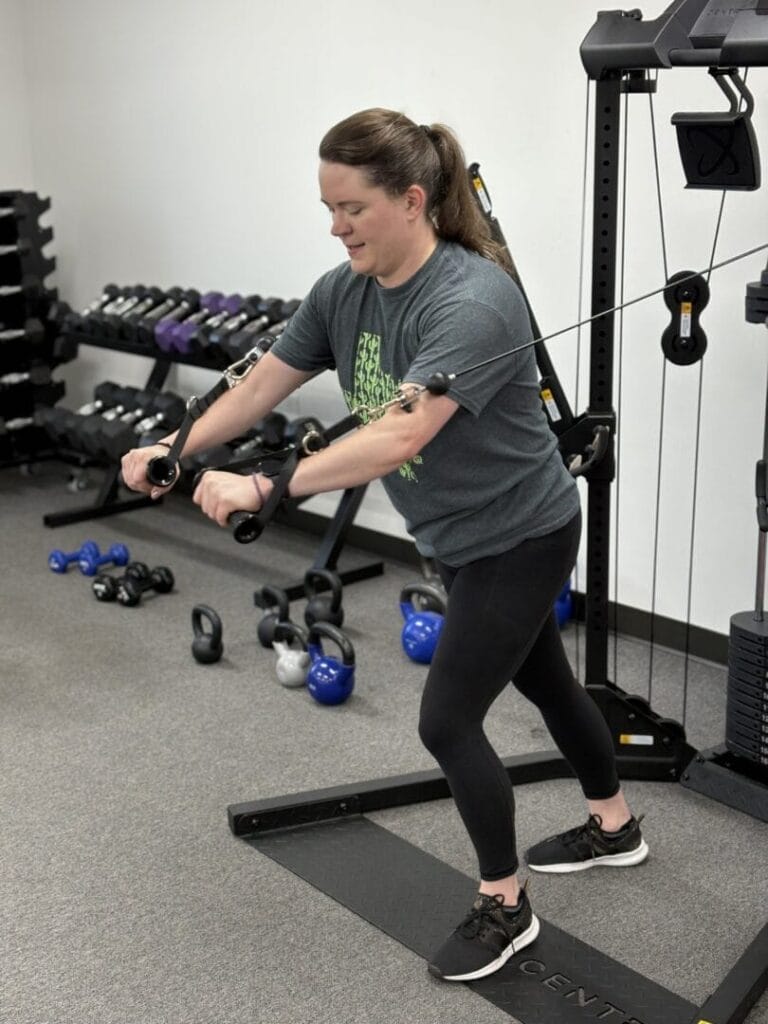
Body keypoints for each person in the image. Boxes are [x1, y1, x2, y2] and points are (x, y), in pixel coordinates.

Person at [121, 107, 648, 983]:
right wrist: (176, 448)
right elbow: (260, 386)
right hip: (456, 534)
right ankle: (616, 825)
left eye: (352, 208)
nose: (336, 226)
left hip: (522, 533)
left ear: (411, 200)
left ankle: (506, 906)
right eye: (328, 208)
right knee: (546, 681)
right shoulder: (345, 292)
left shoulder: (474, 301)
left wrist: (268, 486)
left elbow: (401, 434)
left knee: (447, 720)